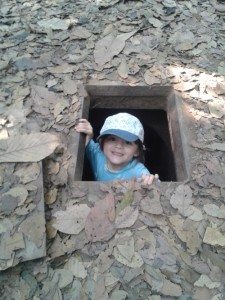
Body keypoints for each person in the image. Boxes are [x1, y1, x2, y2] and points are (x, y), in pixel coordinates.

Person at [75, 112, 159, 185]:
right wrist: (88, 133)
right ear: (102, 143)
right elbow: (86, 143)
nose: (119, 146)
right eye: (112, 139)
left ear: (137, 151)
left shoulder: (138, 172)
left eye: (127, 142)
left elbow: (149, 181)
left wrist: (151, 181)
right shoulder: (97, 153)